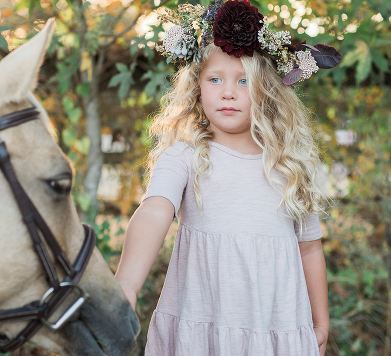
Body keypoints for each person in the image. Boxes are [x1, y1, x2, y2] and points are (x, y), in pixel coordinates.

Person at [114, 1, 342, 355]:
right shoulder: (185, 157)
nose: (228, 91)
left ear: (267, 90)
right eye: (215, 79)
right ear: (197, 88)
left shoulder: (288, 166)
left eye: (244, 81)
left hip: (273, 331)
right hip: (202, 331)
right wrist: (126, 285)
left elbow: (309, 248)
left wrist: (320, 322)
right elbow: (154, 211)